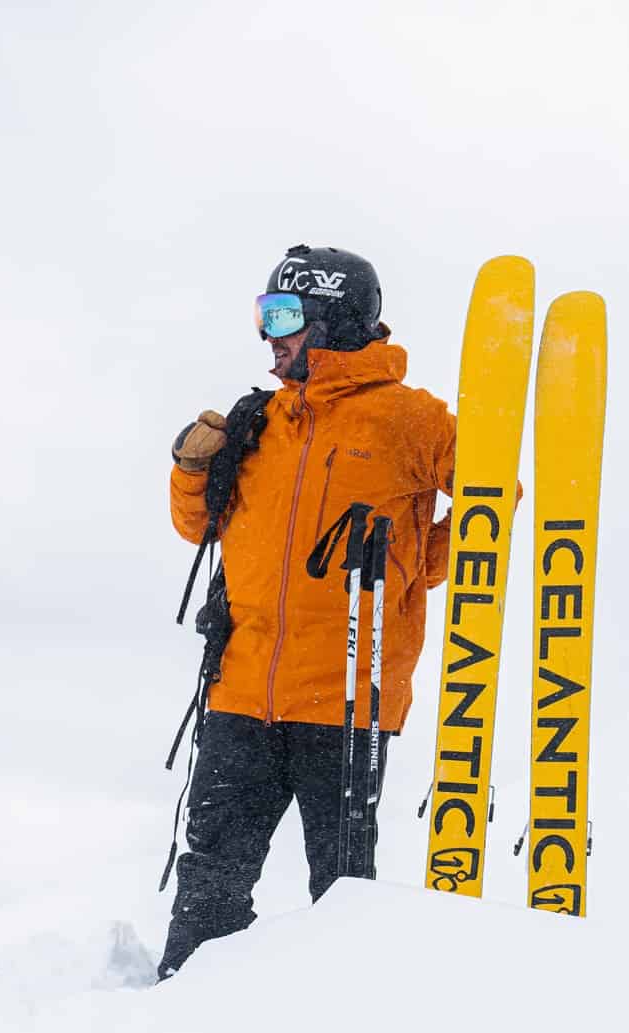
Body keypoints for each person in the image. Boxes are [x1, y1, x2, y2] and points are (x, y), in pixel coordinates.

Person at [159, 244, 457, 979]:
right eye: (265, 315)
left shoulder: (409, 421)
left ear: (334, 317)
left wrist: (421, 561)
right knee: (211, 883)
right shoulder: (260, 422)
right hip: (240, 693)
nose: (271, 334)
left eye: (285, 315)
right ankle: (175, 1018)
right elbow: (201, 529)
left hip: (348, 700)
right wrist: (193, 471)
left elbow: (494, 505)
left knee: (343, 894)